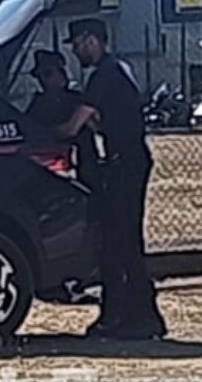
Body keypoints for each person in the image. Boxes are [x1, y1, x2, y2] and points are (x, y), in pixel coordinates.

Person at [54, 18, 165, 340]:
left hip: (124, 166)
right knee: (126, 241)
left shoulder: (103, 75)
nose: (75, 51)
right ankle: (141, 315)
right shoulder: (118, 70)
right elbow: (106, 122)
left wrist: (41, 133)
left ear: (91, 40)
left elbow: (71, 128)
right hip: (130, 161)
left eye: (77, 44)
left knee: (118, 243)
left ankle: (118, 316)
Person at [21, 50, 96, 176]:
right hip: (55, 168)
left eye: (62, 70)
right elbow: (32, 133)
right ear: (43, 78)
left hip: (86, 165)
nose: (63, 75)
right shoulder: (38, 106)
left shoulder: (77, 99)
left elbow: (94, 125)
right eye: (55, 72)